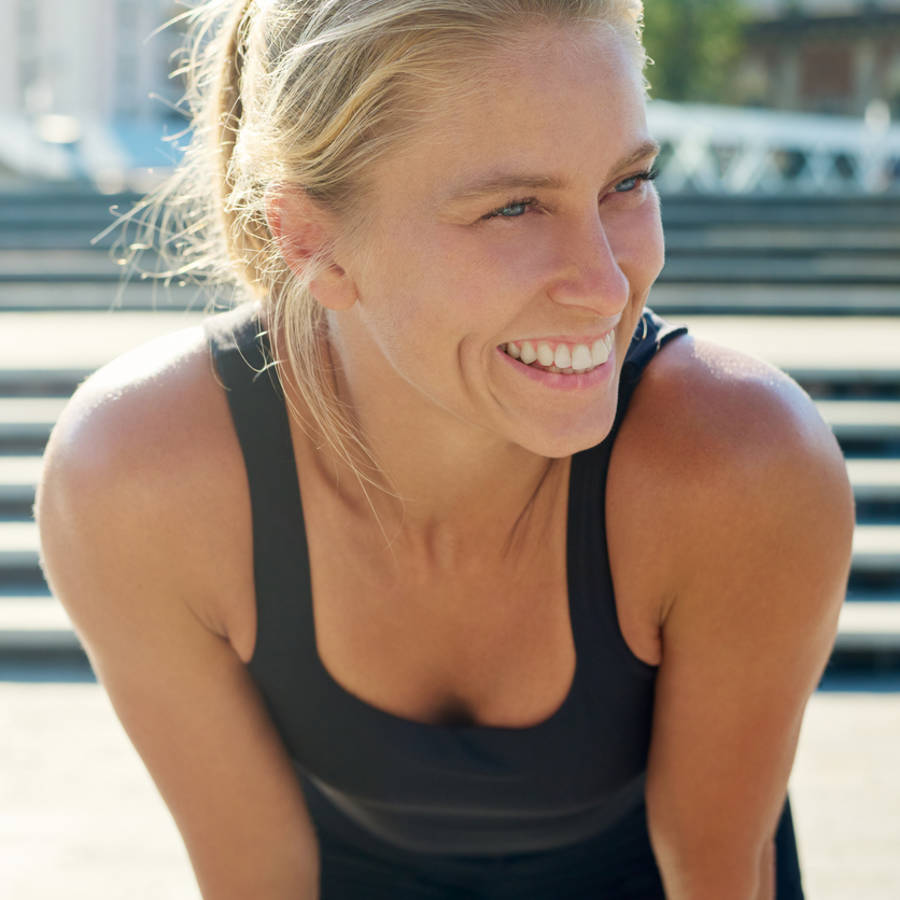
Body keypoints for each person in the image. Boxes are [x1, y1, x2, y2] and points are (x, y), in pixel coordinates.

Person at [36, 1, 854, 897]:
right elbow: (259, 877)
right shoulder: (137, 480)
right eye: (513, 207)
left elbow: (718, 870)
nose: (606, 284)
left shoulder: (743, 466)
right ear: (309, 239)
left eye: (626, 184)